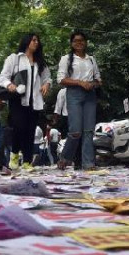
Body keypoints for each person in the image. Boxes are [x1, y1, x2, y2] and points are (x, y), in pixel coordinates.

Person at [0, 33, 52, 171]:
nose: (36, 42)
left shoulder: (41, 63)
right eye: (33, 40)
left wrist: (46, 85)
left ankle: (27, 161)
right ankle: (14, 155)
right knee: (19, 127)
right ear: (26, 41)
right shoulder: (14, 58)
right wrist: (9, 85)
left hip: (35, 101)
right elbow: (2, 77)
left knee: (30, 130)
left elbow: (47, 78)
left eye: (37, 40)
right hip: (18, 99)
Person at [57, 30, 102, 171]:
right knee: (75, 130)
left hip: (90, 94)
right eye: (76, 40)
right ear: (71, 43)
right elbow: (61, 79)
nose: (79, 43)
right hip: (74, 93)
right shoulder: (66, 59)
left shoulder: (91, 59)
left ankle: (88, 163)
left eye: (81, 40)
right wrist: (79, 83)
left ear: (86, 42)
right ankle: (65, 158)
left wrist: (92, 84)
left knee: (88, 130)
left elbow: (99, 80)